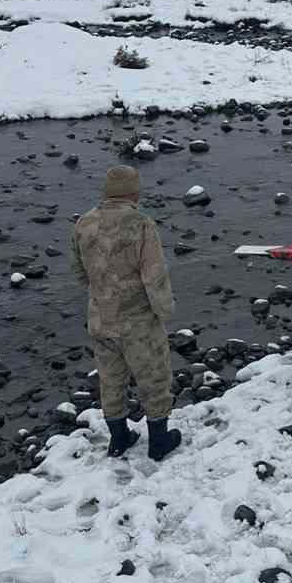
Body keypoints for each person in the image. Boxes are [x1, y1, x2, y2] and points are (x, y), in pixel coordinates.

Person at [69, 165, 182, 461]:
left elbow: (79, 274)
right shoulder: (141, 224)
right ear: (133, 191)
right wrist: (164, 310)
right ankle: (159, 441)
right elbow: (154, 275)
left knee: (110, 379)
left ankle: (119, 439)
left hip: (100, 318)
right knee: (154, 377)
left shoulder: (84, 223)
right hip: (138, 321)